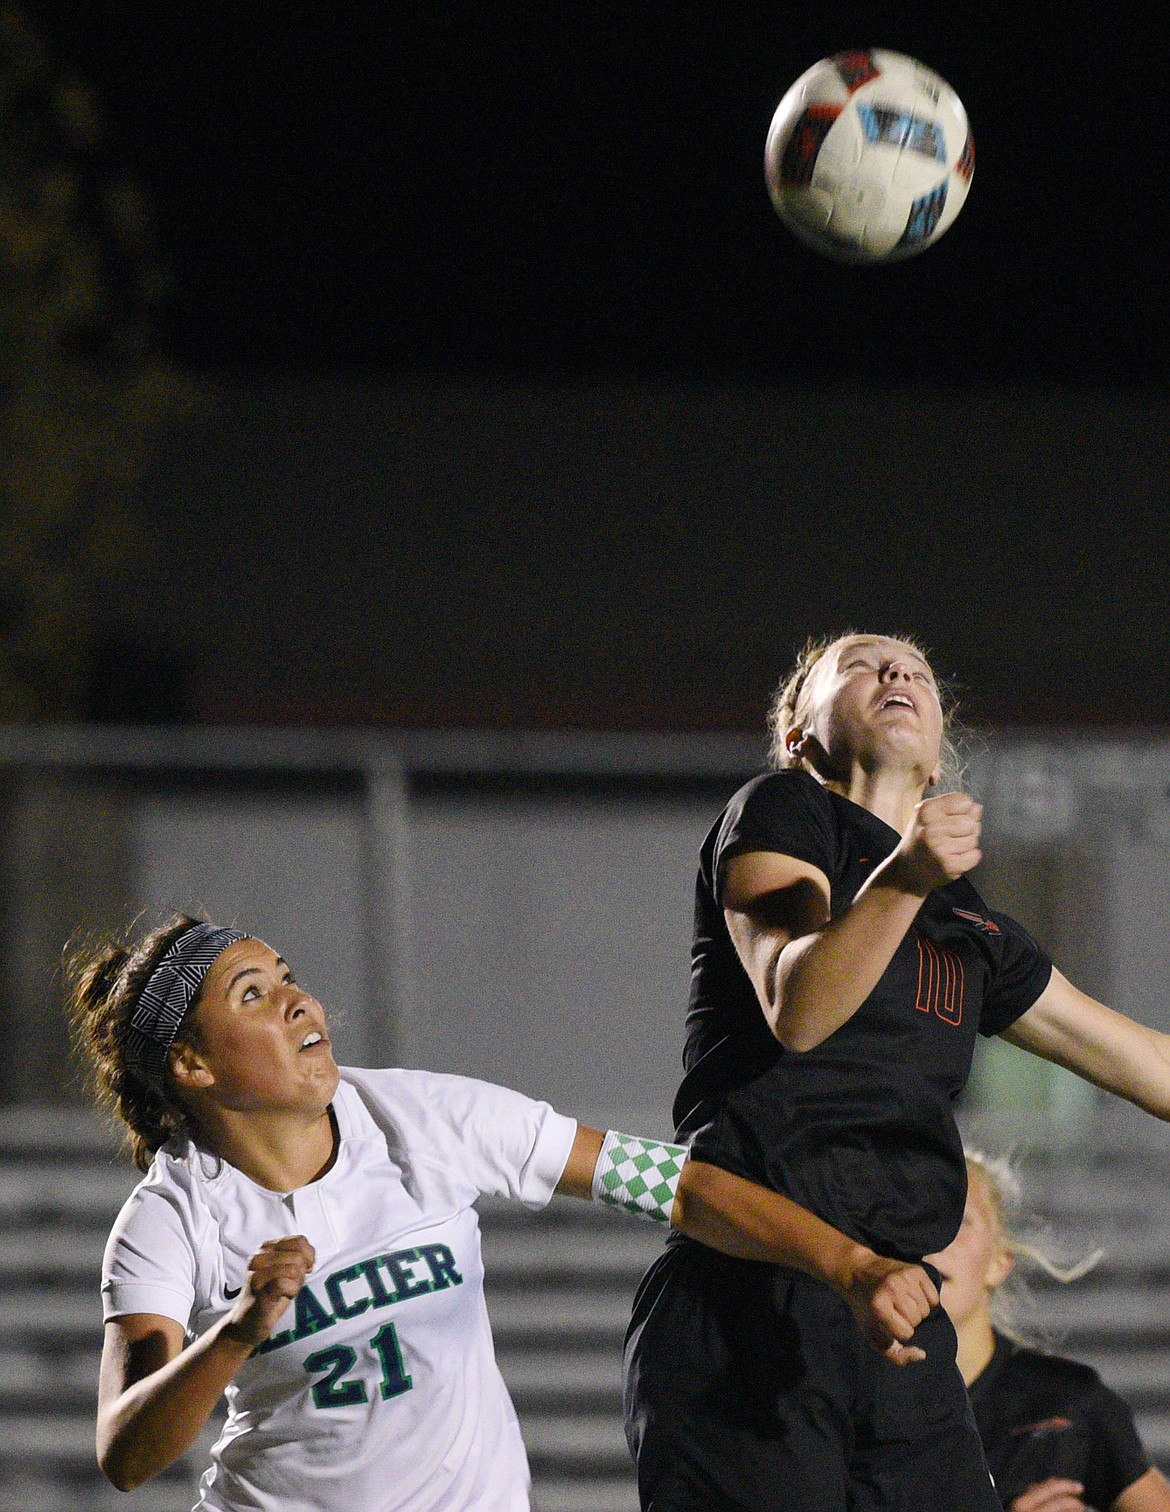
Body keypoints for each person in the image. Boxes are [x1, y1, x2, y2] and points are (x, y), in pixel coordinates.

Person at [72, 913, 939, 1512]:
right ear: (190, 1064)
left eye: (289, 979)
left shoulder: (428, 1120)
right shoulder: (172, 1218)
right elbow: (125, 1453)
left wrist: (850, 1266)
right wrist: (238, 1330)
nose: (301, 1002)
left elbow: (673, 1183)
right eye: (252, 995)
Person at [624, 631, 1170, 1512]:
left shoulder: (973, 930)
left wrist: (920, 881)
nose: (898, 673)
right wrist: (905, 875)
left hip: (900, 1320)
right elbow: (796, 1009)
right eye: (863, 665)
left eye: (915, 668)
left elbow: (1146, 1060)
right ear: (800, 737)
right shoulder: (779, 813)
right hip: (751, 1297)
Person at [927, 1152, 1170, 1512]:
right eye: (909, 1222)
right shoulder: (838, 1401)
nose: (929, 1240)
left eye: (956, 1221)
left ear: (999, 1262)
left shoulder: (1069, 1402)